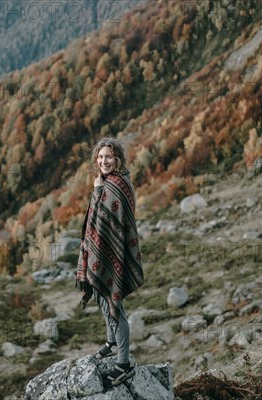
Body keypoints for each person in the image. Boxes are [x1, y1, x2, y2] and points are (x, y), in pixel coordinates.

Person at [75, 136, 144, 388]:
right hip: (104, 251)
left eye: (109, 156)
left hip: (113, 254)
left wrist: (96, 191)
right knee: (103, 298)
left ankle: (123, 363)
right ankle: (111, 341)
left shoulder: (116, 185)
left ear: (118, 159)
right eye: (101, 157)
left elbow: (105, 220)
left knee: (115, 306)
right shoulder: (108, 182)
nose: (104, 160)